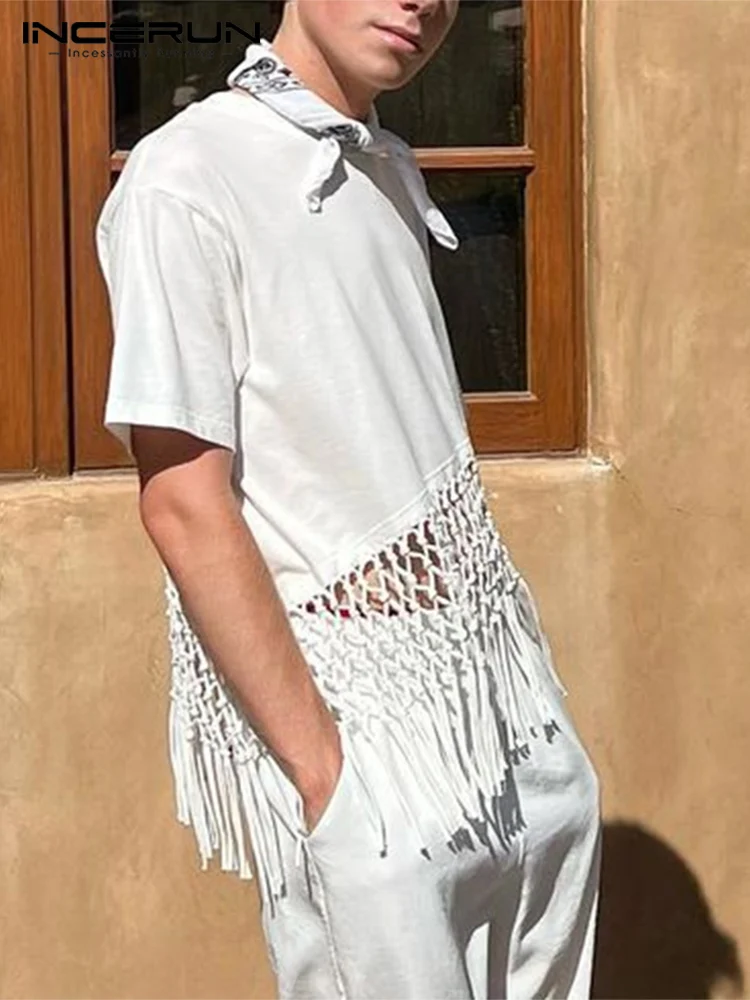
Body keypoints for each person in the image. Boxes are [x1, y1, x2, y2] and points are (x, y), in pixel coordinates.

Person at [94, 1, 601, 997]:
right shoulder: (186, 173)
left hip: (504, 710)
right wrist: (326, 778)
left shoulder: (383, 168)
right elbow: (184, 499)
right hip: (358, 727)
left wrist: (541, 733)